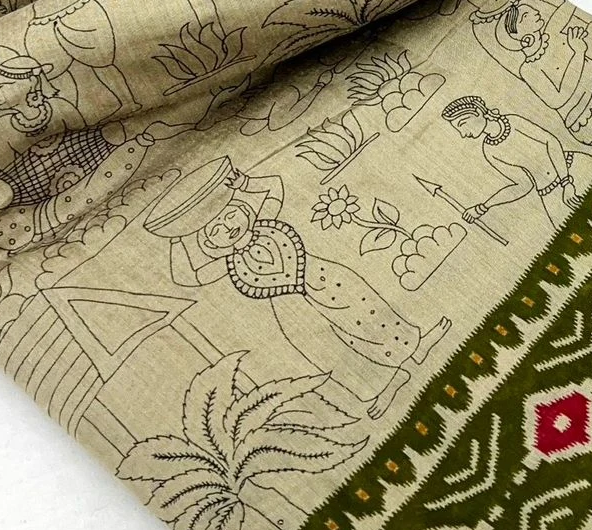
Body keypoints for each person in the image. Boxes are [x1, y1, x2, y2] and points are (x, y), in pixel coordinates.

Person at [145, 156, 449, 419]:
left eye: (230, 214)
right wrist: (177, 239)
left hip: (322, 277)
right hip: (290, 308)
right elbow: (187, 277)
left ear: (243, 209)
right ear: (210, 243)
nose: (228, 226)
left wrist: (245, 183)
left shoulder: (265, 221)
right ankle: (381, 385)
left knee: (364, 308)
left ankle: (414, 346)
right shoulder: (227, 263)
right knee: (327, 352)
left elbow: (274, 187)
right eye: (216, 230)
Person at [440, 94, 578, 225]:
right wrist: (483, 207)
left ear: (478, 112)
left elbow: (550, 142)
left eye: (462, 124)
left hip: (569, 169)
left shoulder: (513, 122)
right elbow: (523, 185)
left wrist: (566, 183)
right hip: (549, 194)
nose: (463, 134)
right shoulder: (489, 150)